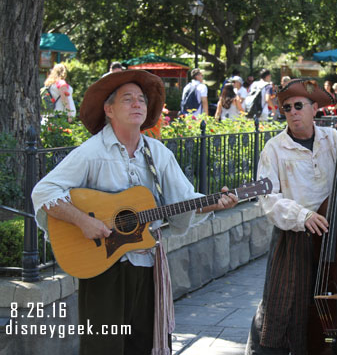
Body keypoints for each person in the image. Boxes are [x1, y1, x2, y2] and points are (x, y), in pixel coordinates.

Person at [31, 70, 238, 355]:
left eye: (141, 99)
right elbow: (44, 191)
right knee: (103, 347)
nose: (138, 104)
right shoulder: (92, 152)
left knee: (144, 343)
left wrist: (214, 202)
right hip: (102, 266)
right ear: (109, 109)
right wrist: (82, 221)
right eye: (127, 99)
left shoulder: (158, 153)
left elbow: (183, 199)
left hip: (147, 264)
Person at [245, 78, 337, 355]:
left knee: (334, 306)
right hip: (293, 237)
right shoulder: (274, 148)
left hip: (334, 235)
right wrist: (303, 216)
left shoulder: (334, 138)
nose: (292, 112)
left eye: (298, 106)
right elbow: (269, 199)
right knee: (281, 308)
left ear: (315, 108)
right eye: (286, 108)